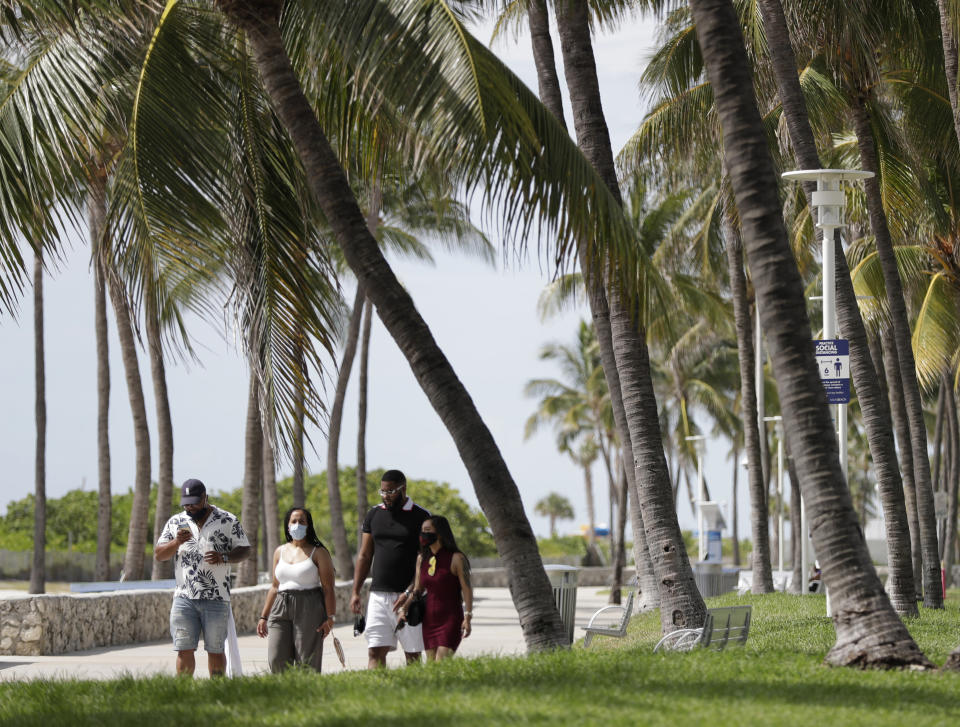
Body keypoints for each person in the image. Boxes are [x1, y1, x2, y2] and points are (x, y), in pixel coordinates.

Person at [155, 478, 251, 677]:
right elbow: (159, 555)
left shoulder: (227, 520)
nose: (190, 507)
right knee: (184, 648)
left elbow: (245, 550)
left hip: (216, 598)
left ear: (205, 498)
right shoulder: (175, 522)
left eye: (194, 502)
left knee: (216, 649)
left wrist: (224, 557)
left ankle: (216, 691)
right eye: (186, 503)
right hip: (184, 598)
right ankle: (184, 694)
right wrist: (176, 542)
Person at [350, 469, 429, 668]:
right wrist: (355, 592)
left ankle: (413, 697)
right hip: (378, 596)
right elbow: (365, 555)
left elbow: (425, 559)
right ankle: (377, 696)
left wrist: (410, 592)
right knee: (375, 651)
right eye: (383, 492)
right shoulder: (374, 514)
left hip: (409, 599)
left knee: (413, 655)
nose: (386, 496)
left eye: (391, 491)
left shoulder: (421, 516)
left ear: (404, 489)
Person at [257, 507, 336, 672]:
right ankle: (282, 695)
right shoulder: (279, 551)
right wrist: (263, 616)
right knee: (276, 659)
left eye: (302, 521)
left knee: (306, 661)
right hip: (280, 607)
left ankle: (306, 695)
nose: (297, 525)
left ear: (309, 525)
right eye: (294, 521)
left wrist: (330, 618)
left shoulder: (319, 552)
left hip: (309, 606)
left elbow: (328, 588)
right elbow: (274, 587)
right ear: (287, 525)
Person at [401, 515, 473, 661]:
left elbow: (467, 589)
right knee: (432, 667)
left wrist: (468, 617)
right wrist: (404, 608)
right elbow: (418, 589)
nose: (423, 534)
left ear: (440, 533)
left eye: (427, 530)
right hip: (429, 621)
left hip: (451, 619)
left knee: (441, 663)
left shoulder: (457, 558)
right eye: (422, 530)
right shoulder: (421, 559)